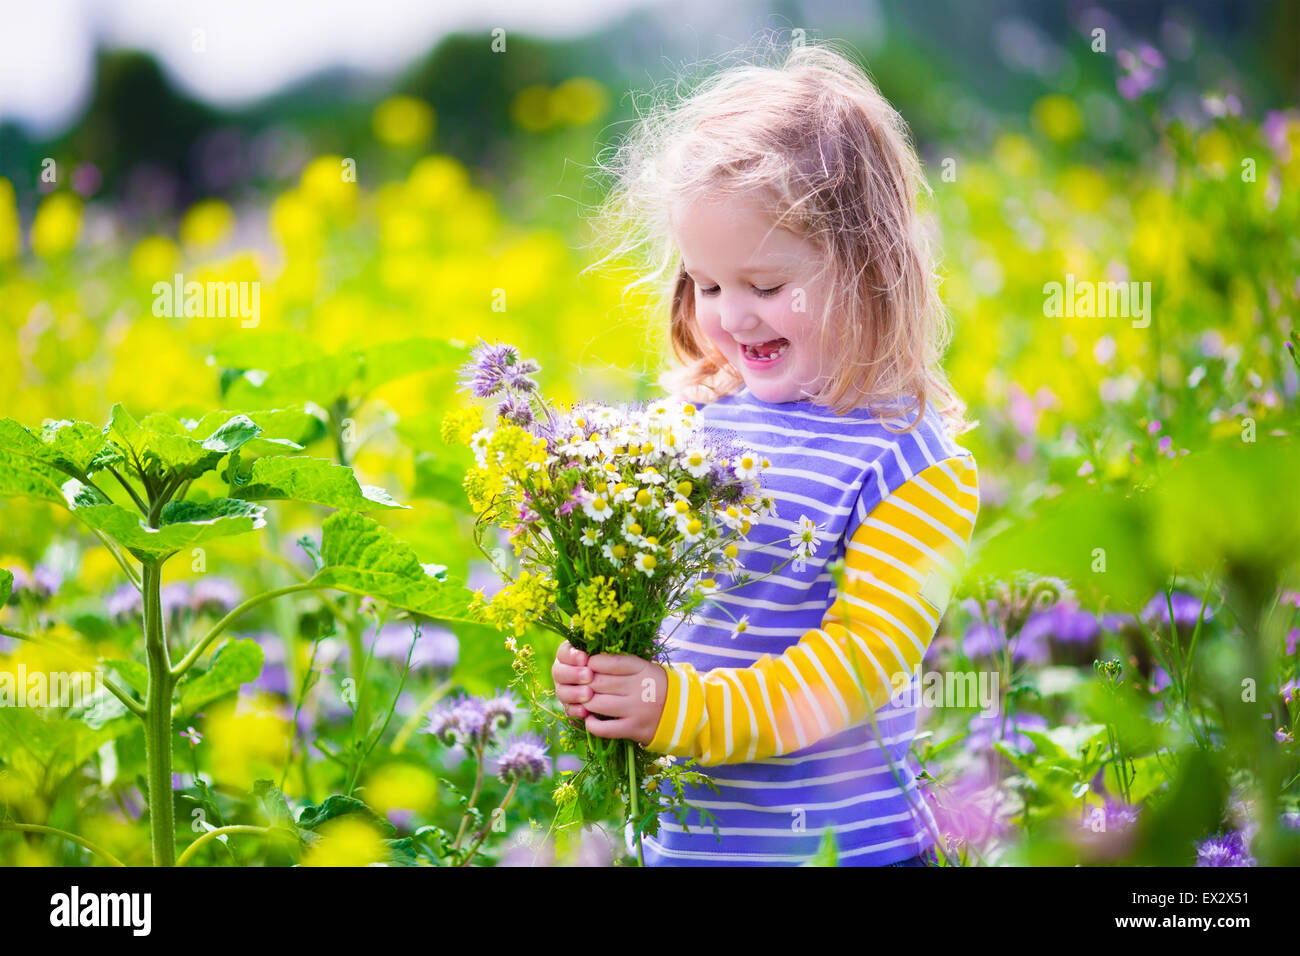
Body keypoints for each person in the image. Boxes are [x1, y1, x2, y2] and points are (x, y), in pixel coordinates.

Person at [553, 37, 979, 866]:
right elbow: (661, 616)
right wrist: (599, 669)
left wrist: (675, 709)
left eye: (767, 285)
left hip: (845, 852)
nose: (732, 318)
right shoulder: (697, 422)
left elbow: (856, 665)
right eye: (707, 285)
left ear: (868, 265)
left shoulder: (911, 460)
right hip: (688, 849)